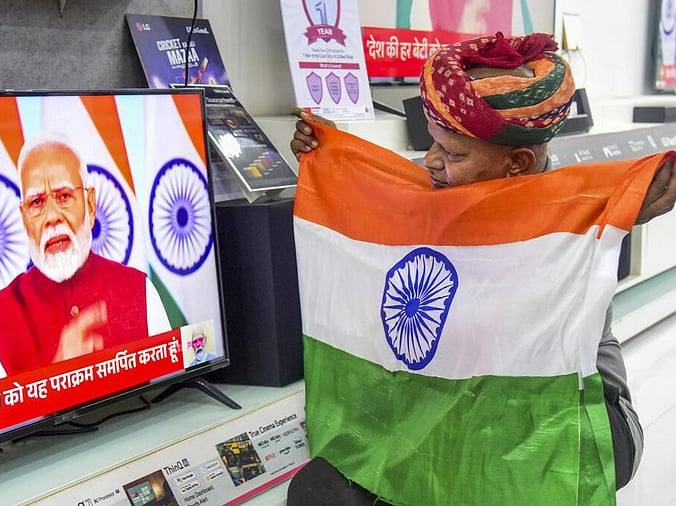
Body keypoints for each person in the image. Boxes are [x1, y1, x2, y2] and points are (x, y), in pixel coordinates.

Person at [288, 32, 676, 504]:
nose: (431, 162)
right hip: (457, 401)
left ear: (517, 162)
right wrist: (333, 159)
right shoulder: (434, 199)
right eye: (434, 144)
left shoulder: (568, 226)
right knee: (319, 489)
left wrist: (621, 209)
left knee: (480, 470)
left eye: (452, 154)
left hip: (570, 413)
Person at [0, 131, 170, 387]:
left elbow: (169, 398)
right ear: (23, 219)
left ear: (90, 205)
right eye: (37, 202)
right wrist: (59, 376)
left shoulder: (140, 291)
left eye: (64, 196)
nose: (52, 217)